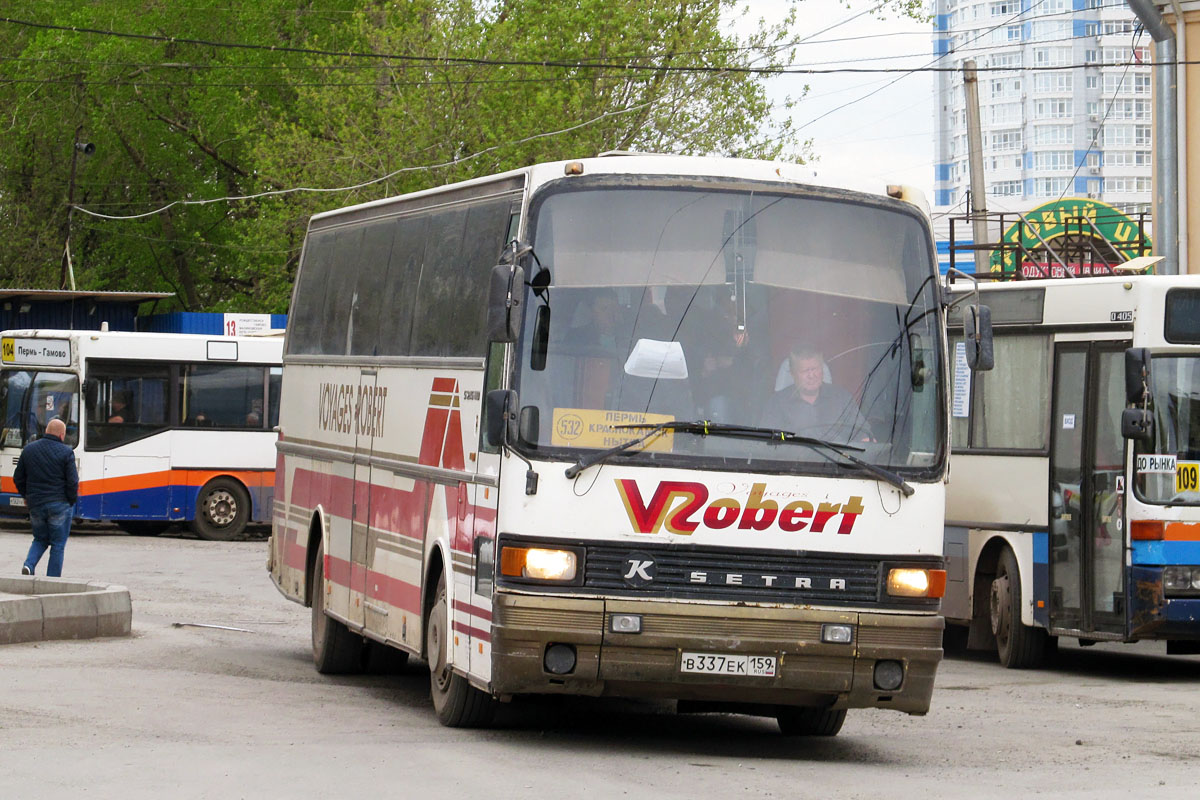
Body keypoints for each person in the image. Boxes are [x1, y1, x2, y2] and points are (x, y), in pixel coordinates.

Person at [760, 342, 872, 443]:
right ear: (793, 374)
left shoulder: (841, 398)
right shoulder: (777, 404)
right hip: (792, 462)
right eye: (805, 371)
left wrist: (866, 440)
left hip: (837, 463)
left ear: (822, 370)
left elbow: (863, 435)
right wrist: (788, 439)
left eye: (815, 369)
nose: (811, 375)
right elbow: (768, 441)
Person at [16, 417, 79, 577]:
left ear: (46, 431)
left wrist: (26, 496)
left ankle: (29, 565)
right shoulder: (66, 452)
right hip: (59, 504)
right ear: (62, 435)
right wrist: (71, 501)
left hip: (36, 503)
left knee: (40, 538)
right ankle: (52, 579)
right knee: (58, 544)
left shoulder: (29, 450)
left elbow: (18, 477)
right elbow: (72, 482)